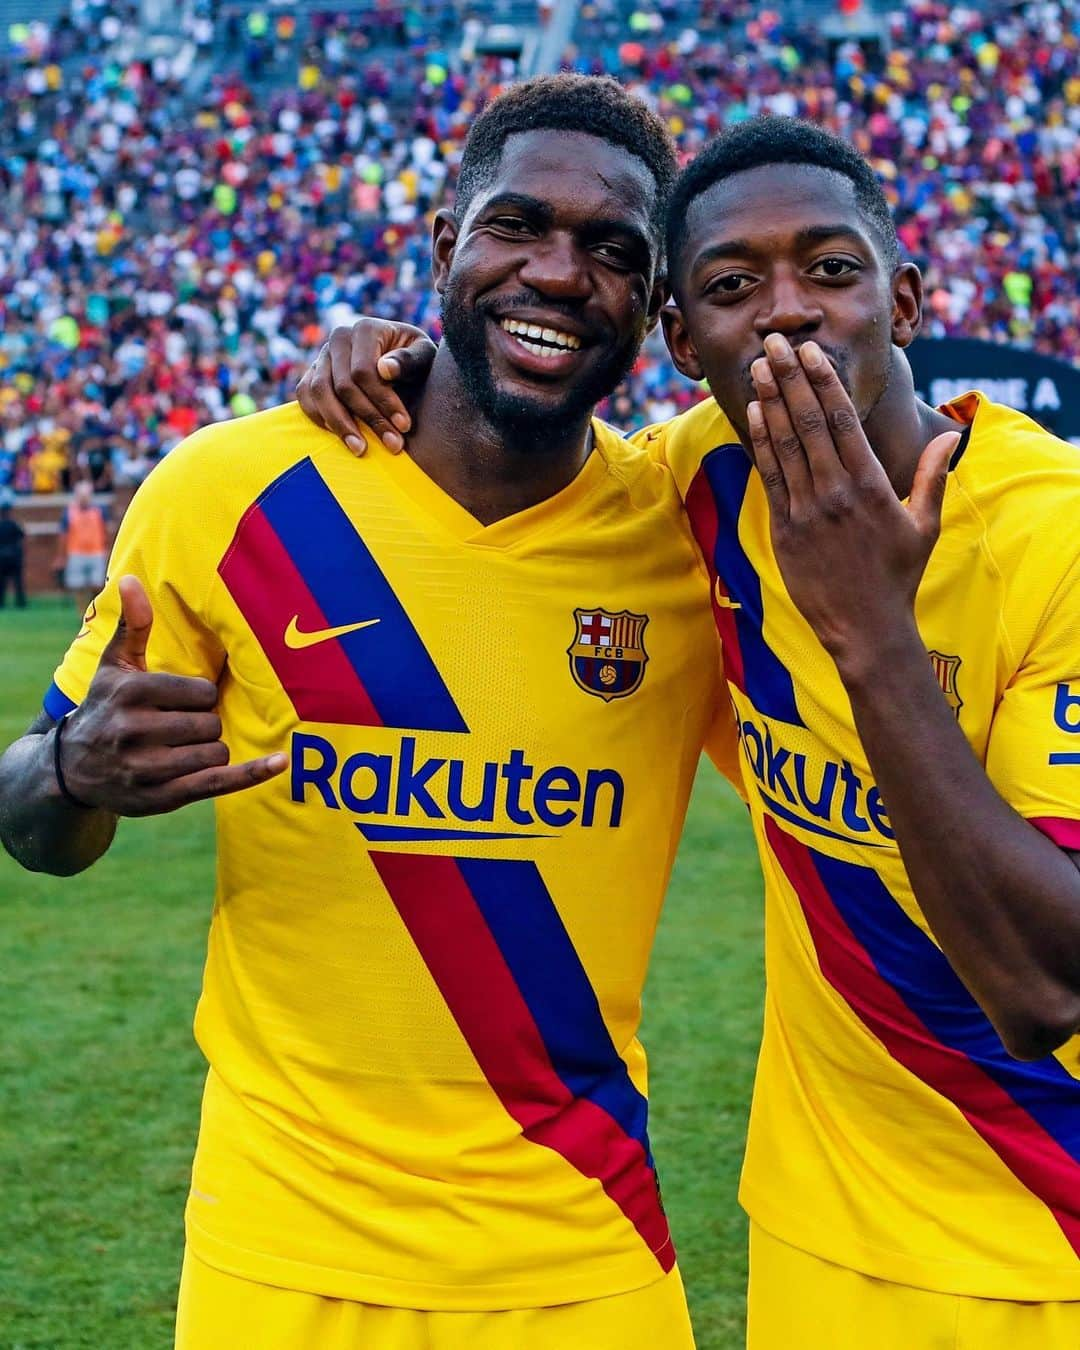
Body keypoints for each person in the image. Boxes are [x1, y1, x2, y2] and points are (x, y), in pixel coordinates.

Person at [299, 115, 1080, 1349]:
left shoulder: (1055, 537)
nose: (786, 314)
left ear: (909, 299)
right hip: (815, 1230)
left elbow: (1045, 985)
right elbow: (512, 442)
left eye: (832, 270)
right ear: (678, 339)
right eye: (729, 287)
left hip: (1048, 1237)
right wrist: (384, 355)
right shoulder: (701, 478)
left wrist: (868, 626)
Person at [0, 75, 740, 1349]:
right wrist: (71, 770)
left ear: (654, 305)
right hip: (278, 1251)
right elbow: (28, 823)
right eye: (519, 226)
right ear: (446, 235)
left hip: (582, 1253)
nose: (560, 275)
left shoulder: (684, 534)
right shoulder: (228, 489)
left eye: (612, 251)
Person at [59, 479, 110, 616]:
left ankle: (95, 612)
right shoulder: (69, 512)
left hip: (96, 552)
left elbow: (105, 531)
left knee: (97, 585)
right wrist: (62, 556)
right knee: (78, 587)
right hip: (76, 553)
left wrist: (107, 548)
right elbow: (64, 535)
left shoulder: (100, 511)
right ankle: (82, 614)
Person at [0, 494, 26, 609]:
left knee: (1, 582)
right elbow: (22, 536)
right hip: (14, 555)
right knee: (18, 581)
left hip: (2, 555)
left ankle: (1, 603)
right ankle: (20, 602)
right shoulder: (14, 524)